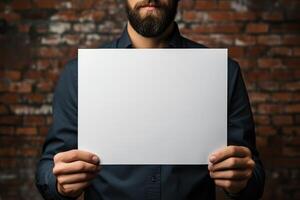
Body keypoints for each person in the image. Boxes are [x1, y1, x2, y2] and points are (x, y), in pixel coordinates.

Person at [35, 0, 265, 199]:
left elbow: (253, 176)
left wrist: (241, 180)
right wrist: (59, 183)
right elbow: (48, 168)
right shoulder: (80, 74)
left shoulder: (223, 72)